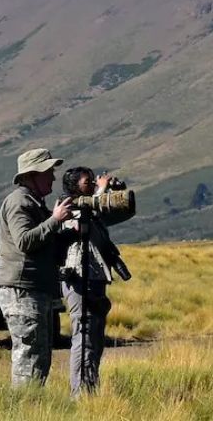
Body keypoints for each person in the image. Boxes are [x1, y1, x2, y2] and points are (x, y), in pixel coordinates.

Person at [0, 148, 74, 387]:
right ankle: (25, 404)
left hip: (33, 288)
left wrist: (68, 232)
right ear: (32, 175)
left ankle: (31, 402)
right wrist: (55, 220)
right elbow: (25, 241)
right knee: (30, 357)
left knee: (38, 355)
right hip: (22, 289)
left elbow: (44, 243)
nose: (53, 177)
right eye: (48, 172)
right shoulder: (19, 202)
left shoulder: (33, 203)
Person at [58, 167, 135, 397]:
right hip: (79, 279)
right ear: (73, 186)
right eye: (87, 182)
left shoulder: (93, 211)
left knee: (95, 339)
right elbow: (85, 210)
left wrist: (116, 192)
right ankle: (80, 394)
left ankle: (90, 388)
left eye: (93, 181)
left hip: (95, 279)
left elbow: (124, 211)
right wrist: (102, 189)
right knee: (84, 337)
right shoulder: (69, 206)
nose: (92, 183)